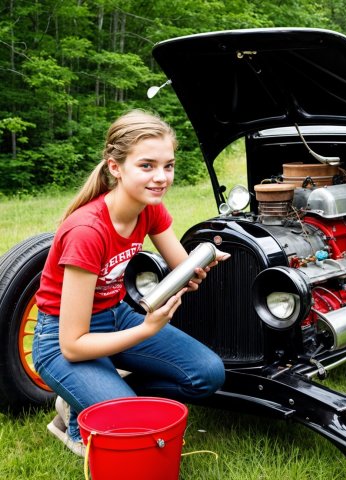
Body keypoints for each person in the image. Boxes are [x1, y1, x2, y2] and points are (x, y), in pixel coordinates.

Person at [32, 109, 228, 456]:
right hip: (62, 340)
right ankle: (76, 422)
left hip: (114, 315)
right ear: (115, 167)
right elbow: (73, 345)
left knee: (208, 374)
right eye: (147, 166)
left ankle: (93, 395)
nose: (161, 177)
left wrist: (201, 263)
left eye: (168, 165)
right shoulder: (87, 231)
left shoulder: (148, 207)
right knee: (136, 426)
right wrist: (147, 330)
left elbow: (180, 267)